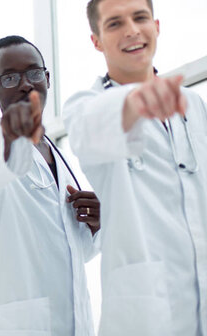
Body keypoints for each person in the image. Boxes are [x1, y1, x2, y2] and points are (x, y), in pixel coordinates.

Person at [63, 0, 207, 334]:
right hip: (146, 310)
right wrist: (135, 102)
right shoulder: (88, 105)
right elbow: (89, 131)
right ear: (96, 40)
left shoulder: (194, 104)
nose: (131, 30)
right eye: (114, 23)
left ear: (156, 27)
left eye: (140, 17)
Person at [0, 36, 101, 336]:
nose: (26, 84)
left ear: (47, 79)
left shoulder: (58, 154)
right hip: (21, 325)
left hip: (76, 321)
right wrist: (10, 133)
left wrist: (97, 226)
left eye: (34, 73)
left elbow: (73, 253)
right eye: (9, 78)